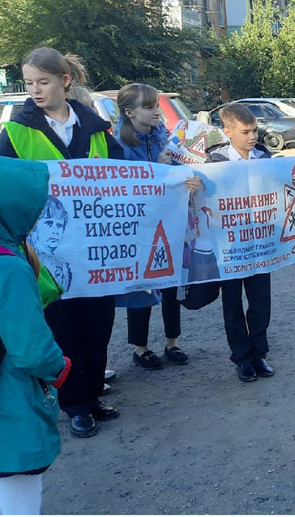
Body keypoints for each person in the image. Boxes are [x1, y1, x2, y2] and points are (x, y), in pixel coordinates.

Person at [0, 47, 124, 438]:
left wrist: (172, 183)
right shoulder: (16, 131)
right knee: (63, 326)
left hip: (96, 250)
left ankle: (94, 393)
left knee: (99, 325)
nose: (34, 90)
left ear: (65, 81)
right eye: (29, 82)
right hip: (46, 250)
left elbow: (132, 178)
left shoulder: (97, 128)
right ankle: (76, 406)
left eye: (43, 82)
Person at [0, 158, 71, 515]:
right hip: (9, 401)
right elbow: (31, 350)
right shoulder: (8, 266)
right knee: (18, 496)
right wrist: (59, 367)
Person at [114, 83, 201, 370]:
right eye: (149, 106)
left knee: (170, 283)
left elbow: (178, 172)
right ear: (130, 112)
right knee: (142, 283)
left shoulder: (163, 135)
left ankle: (172, 342)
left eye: (156, 105)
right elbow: (126, 185)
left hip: (169, 217)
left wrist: (185, 177)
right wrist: (159, 167)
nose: (157, 112)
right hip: (139, 223)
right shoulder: (119, 143)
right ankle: (141, 348)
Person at [207, 104, 275, 383]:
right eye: (245, 132)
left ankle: (259, 353)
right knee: (232, 303)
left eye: (255, 130)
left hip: (259, 243)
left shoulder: (264, 157)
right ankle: (242, 358)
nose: (252, 137)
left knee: (260, 301)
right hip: (229, 246)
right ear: (227, 132)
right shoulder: (215, 161)